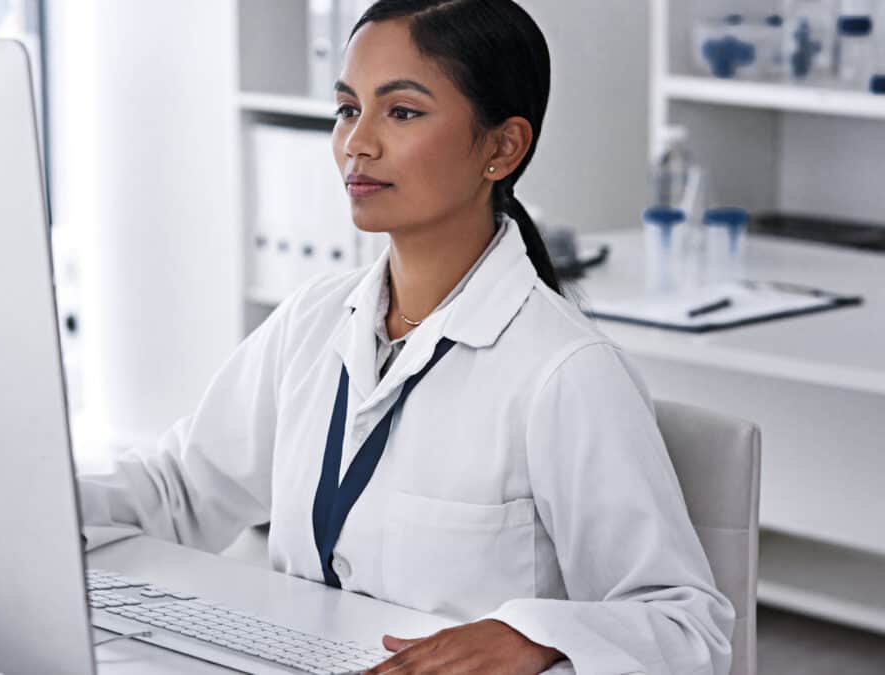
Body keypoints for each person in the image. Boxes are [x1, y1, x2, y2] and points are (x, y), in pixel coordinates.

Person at [77, 1, 735, 672]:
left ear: (503, 147)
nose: (357, 142)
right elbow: (178, 491)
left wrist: (536, 635)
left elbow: (687, 627)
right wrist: (22, 507)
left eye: (402, 112)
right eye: (346, 109)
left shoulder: (565, 371)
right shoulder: (313, 319)